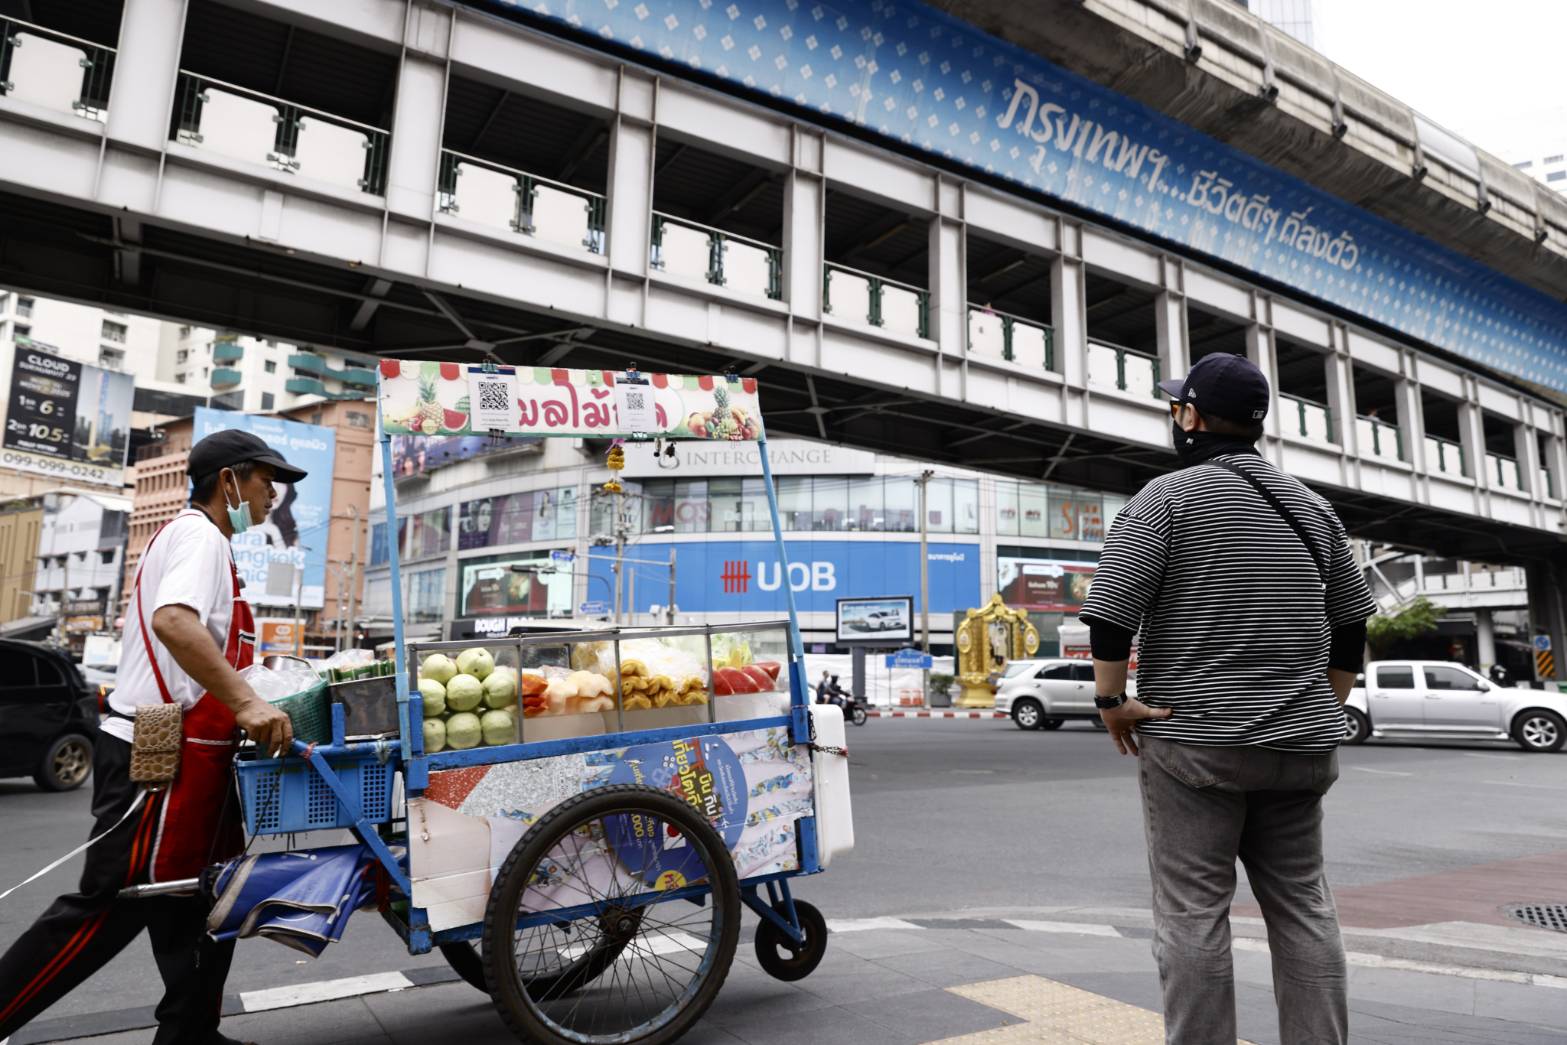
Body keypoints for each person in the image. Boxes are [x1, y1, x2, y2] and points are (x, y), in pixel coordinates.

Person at [1078, 353, 1376, 1045]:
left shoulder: (1166, 497)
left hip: (1196, 744)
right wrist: (1322, 708)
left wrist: (1111, 700)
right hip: (1300, 749)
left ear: (1191, 416)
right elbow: (1351, 625)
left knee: (1192, 915)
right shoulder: (1313, 507)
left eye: (1176, 405)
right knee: (1304, 908)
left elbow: (1110, 613)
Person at [0, 429, 307, 1045]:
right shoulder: (197, 534)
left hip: (199, 756)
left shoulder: (209, 543)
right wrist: (245, 701)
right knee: (115, 902)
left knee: (201, 899)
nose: (274, 494)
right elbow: (173, 622)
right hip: (160, 753)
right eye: (265, 479)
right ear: (229, 481)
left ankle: (191, 1034)